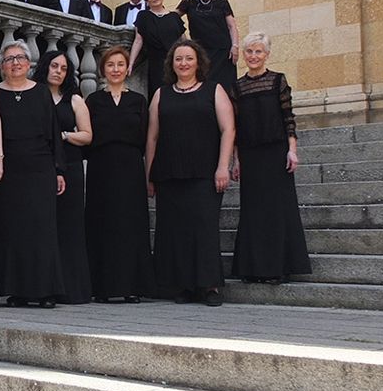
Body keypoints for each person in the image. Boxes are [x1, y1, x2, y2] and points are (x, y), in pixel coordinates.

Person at [145, 39, 236, 307]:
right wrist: (149, 175)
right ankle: (183, 285)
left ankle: (209, 286)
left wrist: (223, 166)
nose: (183, 63)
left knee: (203, 228)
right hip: (169, 172)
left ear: (198, 62)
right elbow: (151, 138)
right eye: (178, 59)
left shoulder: (214, 90)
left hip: (205, 172)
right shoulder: (161, 94)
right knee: (175, 230)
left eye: (188, 58)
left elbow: (228, 130)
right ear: (171, 64)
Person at [231, 32, 311, 283]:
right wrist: (236, 159)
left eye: (258, 51)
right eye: (249, 51)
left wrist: (292, 150)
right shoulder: (237, 86)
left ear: (267, 55)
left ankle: (277, 268)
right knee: (253, 211)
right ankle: (253, 268)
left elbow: (288, 117)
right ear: (243, 55)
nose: (253, 56)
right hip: (249, 154)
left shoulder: (278, 81)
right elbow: (235, 125)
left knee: (277, 210)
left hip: (276, 152)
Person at [0, 41, 66, 308]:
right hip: (10, 170)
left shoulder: (42, 92)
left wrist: (58, 169)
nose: (15, 63)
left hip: (40, 167)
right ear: (2, 66)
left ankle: (45, 291)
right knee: (13, 229)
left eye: (20, 58)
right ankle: (18, 290)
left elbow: (53, 132)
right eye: (9, 59)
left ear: (29, 63)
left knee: (42, 229)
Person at [85, 46, 153, 302]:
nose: (115, 69)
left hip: (131, 167)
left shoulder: (138, 101)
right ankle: (101, 286)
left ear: (127, 69)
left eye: (120, 65)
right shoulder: (93, 100)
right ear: (103, 69)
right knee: (102, 223)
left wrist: (148, 174)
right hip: (101, 167)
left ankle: (131, 286)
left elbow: (147, 137)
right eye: (110, 65)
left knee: (129, 224)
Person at [35, 50, 93, 304]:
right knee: (44, 228)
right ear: (45, 67)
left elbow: (87, 135)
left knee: (70, 227)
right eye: (54, 66)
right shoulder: (35, 95)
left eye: (64, 68)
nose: (58, 71)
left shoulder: (76, 100)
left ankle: (73, 288)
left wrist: (64, 136)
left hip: (70, 165)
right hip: (40, 167)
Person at [177, 0, 239, 95]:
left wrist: (235, 46)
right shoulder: (190, 0)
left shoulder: (221, 2)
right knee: (203, 85)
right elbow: (172, 19)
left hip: (223, 52)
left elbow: (232, 26)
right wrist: (184, 40)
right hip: (201, 52)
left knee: (225, 86)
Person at [129, 0, 185, 101]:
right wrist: (130, 63)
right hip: (156, 64)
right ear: (146, 0)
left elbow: (184, 40)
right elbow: (138, 41)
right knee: (159, 97)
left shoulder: (174, 17)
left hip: (177, 63)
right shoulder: (143, 16)